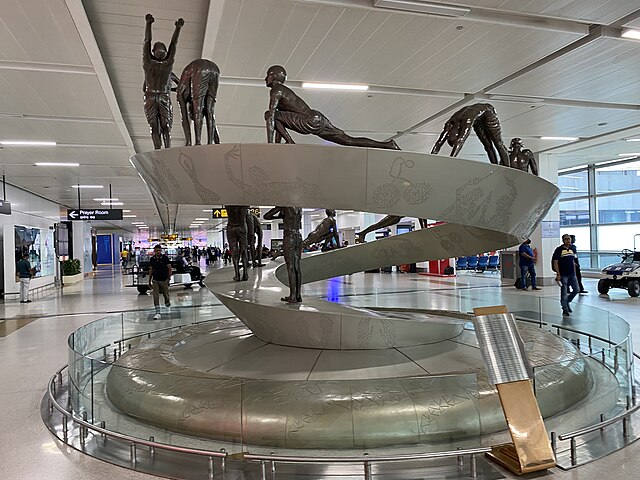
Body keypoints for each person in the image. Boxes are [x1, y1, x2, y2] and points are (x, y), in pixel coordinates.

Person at [264, 65, 400, 149]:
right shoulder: (283, 90)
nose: (266, 79)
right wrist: (277, 146)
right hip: (317, 118)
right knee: (347, 140)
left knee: (268, 114)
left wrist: (270, 146)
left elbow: (272, 117)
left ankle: (290, 142)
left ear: (273, 76)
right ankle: (387, 145)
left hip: (308, 120)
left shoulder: (277, 90)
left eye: (267, 76)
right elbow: (279, 123)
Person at [142, 13, 184, 149]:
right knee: (165, 126)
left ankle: (157, 150)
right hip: (164, 96)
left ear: (154, 52)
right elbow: (174, 44)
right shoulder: (168, 65)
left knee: (154, 125)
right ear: (165, 52)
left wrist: (148, 24)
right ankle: (167, 150)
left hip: (149, 96)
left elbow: (147, 41)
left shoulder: (148, 63)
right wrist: (178, 28)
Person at [431, 103, 509, 166]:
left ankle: (507, 169)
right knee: (487, 145)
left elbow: (461, 140)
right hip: (477, 119)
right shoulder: (449, 124)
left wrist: (452, 159)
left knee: (498, 144)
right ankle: (495, 166)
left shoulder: (466, 122)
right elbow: (439, 142)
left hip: (488, 113)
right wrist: (431, 157)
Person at [264, 206, 303, 303]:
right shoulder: (299, 207)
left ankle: (292, 296)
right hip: (298, 236)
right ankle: (298, 295)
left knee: (290, 267)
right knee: (297, 267)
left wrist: (279, 216)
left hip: (289, 236)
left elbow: (266, 216)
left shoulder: (283, 205)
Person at [552, 234, 580, 316]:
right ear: (563, 240)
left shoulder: (572, 249)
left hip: (572, 274)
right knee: (564, 292)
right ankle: (564, 308)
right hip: (563, 274)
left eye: (569, 239)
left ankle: (567, 302)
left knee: (576, 290)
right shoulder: (559, 250)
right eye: (566, 239)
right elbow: (555, 262)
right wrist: (558, 273)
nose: (568, 240)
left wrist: (574, 272)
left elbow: (572, 261)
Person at [148, 244, 172, 319]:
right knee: (155, 296)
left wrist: (168, 278)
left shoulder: (165, 258)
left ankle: (167, 306)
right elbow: (151, 269)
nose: (158, 252)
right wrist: (149, 280)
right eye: (156, 250)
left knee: (166, 295)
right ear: (154, 251)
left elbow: (169, 269)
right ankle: (157, 312)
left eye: (159, 250)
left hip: (164, 280)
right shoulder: (152, 259)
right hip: (155, 280)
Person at [226, 206, 249, 281]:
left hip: (231, 226)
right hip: (242, 226)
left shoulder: (228, 201)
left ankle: (237, 274)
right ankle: (245, 273)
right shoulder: (244, 201)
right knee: (244, 249)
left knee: (234, 250)